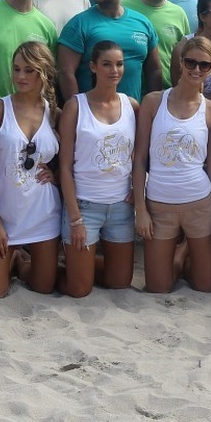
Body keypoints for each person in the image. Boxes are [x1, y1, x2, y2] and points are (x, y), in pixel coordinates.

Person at [133, 36, 211, 293]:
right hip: (159, 206)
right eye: (190, 62)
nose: (196, 69)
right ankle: (178, 257)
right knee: (157, 288)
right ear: (181, 62)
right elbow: (139, 159)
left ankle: (184, 253)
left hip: (200, 204)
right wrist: (140, 209)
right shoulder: (153, 102)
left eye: (204, 65)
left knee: (204, 286)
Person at [0, 42, 61, 298]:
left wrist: (56, 176)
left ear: (44, 72)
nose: (20, 76)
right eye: (16, 69)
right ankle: (13, 258)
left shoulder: (54, 114)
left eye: (29, 70)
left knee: (43, 287)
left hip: (44, 213)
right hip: (4, 214)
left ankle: (21, 264)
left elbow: (71, 159)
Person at [57, 41, 138, 298]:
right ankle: (53, 268)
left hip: (121, 207)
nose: (114, 70)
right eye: (106, 64)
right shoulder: (75, 106)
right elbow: (65, 167)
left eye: (119, 64)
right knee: (79, 290)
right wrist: (75, 218)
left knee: (119, 282)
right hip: (85, 206)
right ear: (93, 67)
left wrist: (138, 188)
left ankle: (83, 264)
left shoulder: (132, 106)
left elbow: (139, 156)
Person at [57, 0, 160, 103]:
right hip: (92, 114)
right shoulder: (78, 24)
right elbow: (66, 73)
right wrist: (79, 110)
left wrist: (153, 107)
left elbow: (154, 70)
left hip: (133, 112)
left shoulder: (142, 23)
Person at [122, 0, 190, 89]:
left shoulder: (178, 13)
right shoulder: (123, 8)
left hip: (167, 93)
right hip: (129, 92)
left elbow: (185, 55)